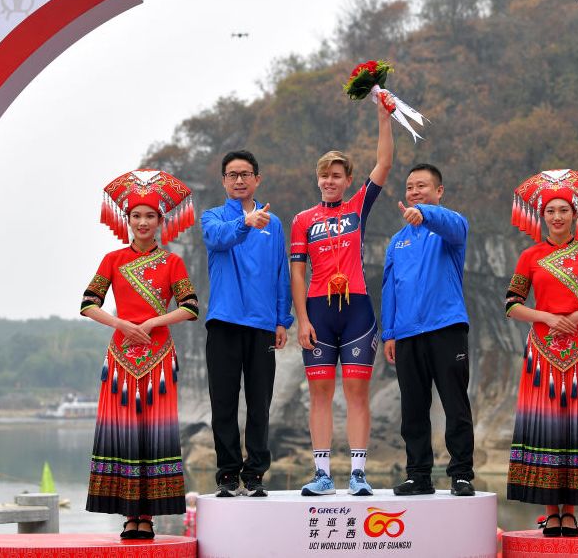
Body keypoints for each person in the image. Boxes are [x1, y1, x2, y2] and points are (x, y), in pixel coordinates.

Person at [82, 169, 199, 539]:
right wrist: (120, 324)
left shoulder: (172, 263)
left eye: (150, 216)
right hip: (119, 361)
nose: (144, 222)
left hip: (158, 358)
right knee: (123, 434)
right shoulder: (112, 260)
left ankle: (146, 516)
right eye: (137, 216)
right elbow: (88, 304)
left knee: (154, 435)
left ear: (161, 221)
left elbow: (191, 307)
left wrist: (150, 324)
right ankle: (127, 515)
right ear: (127, 221)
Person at [290, 98, 394, 496]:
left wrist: (383, 118)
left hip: (357, 310)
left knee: (356, 391)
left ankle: (358, 475)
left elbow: (383, 164)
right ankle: (321, 475)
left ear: (348, 179)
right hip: (317, 310)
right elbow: (297, 273)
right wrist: (302, 320)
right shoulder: (302, 220)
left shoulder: (357, 207)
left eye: (336, 176)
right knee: (320, 393)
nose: (330, 181)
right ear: (318, 180)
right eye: (324, 176)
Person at [505, 169, 578, 538]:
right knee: (546, 428)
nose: (556, 216)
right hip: (542, 354)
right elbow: (512, 305)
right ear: (542, 216)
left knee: (575, 427)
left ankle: (571, 513)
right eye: (550, 210)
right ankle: (551, 512)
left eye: (563, 210)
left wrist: (577, 316)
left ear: (574, 215)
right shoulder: (530, 256)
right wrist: (547, 317)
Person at [202, 150, 293, 498]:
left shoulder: (275, 223)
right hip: (224, 321)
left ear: (257, 179)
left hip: (262, 325)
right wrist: (245, 223)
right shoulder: (212, 218)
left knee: (259, 403)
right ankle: (227, 474)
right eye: (232, 175)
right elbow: (219, 239)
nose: (239, 180)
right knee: (223, 402)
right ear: (224, 181)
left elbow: (280, 273)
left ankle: (254, 474)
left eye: (245, 174)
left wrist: (282, 320)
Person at [381, 163, 475, 497]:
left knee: (455, 403)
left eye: (422, 186)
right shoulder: (397, 242)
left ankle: (461, 473)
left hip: (446, 327)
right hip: (406, 334)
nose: (414, 192)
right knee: (413, 408)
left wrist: (424, 214)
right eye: (409, 187)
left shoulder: (450, 228)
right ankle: (418, 474)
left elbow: (455, 227)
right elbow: (390, 287)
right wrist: (389, 332)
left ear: (439, 191)